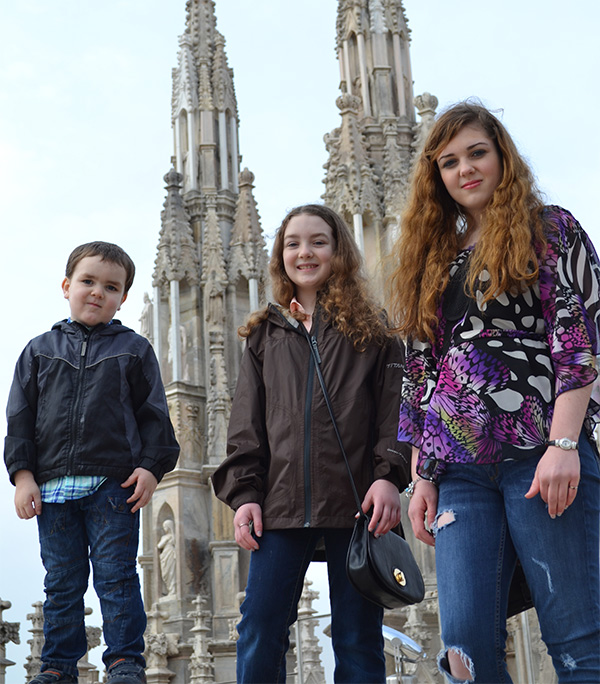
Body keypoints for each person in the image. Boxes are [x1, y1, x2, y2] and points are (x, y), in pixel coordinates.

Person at [389, 101, 600, 683]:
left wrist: (564, 442)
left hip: (538, 455)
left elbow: (577, 340)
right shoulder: (434, 258)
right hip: (458, 471)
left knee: (577, 641)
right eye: (449, 162)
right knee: (464, 655)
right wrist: (422, 473)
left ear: (502, 156)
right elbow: (421, 371)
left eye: (477, 153)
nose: (465, 170)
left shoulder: (549, 228)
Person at [212, 204, 410, 683]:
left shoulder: (376, 330)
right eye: (293, 243)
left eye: (318, 241)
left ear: (338, 250)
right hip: (281, 504)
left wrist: (389, 478)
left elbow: (396, 415)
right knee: (259, 629)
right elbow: (246, 425)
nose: (305, 252)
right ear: (280, 255)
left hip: (359, 504)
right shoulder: (265, 334)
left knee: (357, 637)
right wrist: (244, 496)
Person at [4, 242, 180, 684]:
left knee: (117, 577)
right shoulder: (39, 350)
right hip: (54, 488)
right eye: (87, 281)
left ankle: (124, 661)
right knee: (61, 582)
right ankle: (58, 666)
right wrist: (23, 476)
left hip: (112, 486)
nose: (97, 292)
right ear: (66, 286)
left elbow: (155, 416)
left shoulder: (134, 349)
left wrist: (151, 468)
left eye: (111, 286)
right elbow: (20, 418)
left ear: (123, 298)